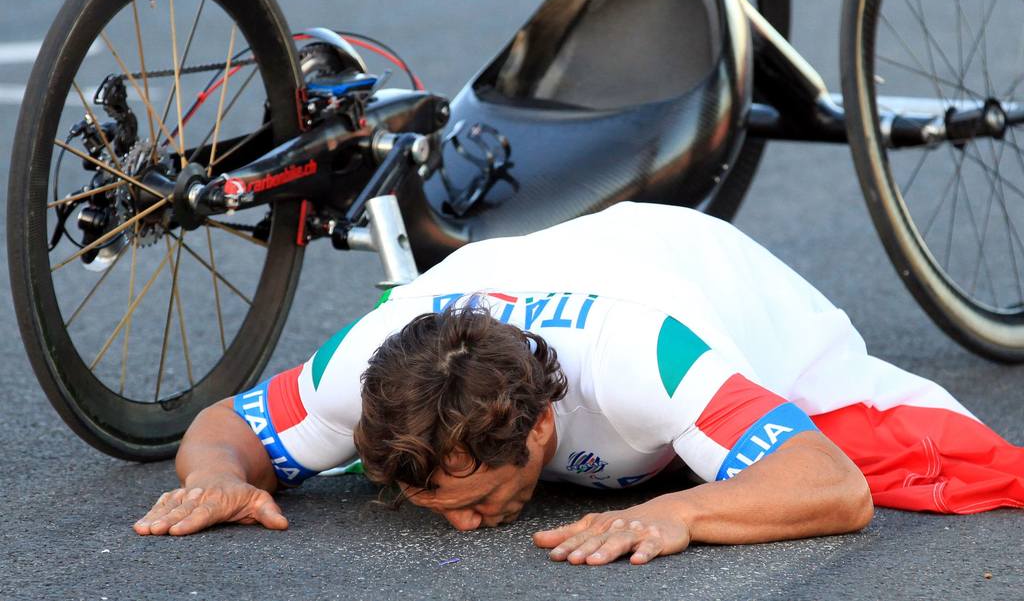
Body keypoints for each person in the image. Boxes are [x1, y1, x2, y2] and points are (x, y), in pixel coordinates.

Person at [134, 202, 1024, 565]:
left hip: (729, 302)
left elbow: (836, 486)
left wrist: (677, 514)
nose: (458, 524)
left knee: (972, 471)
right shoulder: (364, 367)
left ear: (539, 434)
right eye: (438, 504)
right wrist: (214, 474)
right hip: (555, 261)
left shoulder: (645, 357)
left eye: (477, 500)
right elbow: (229, 425)